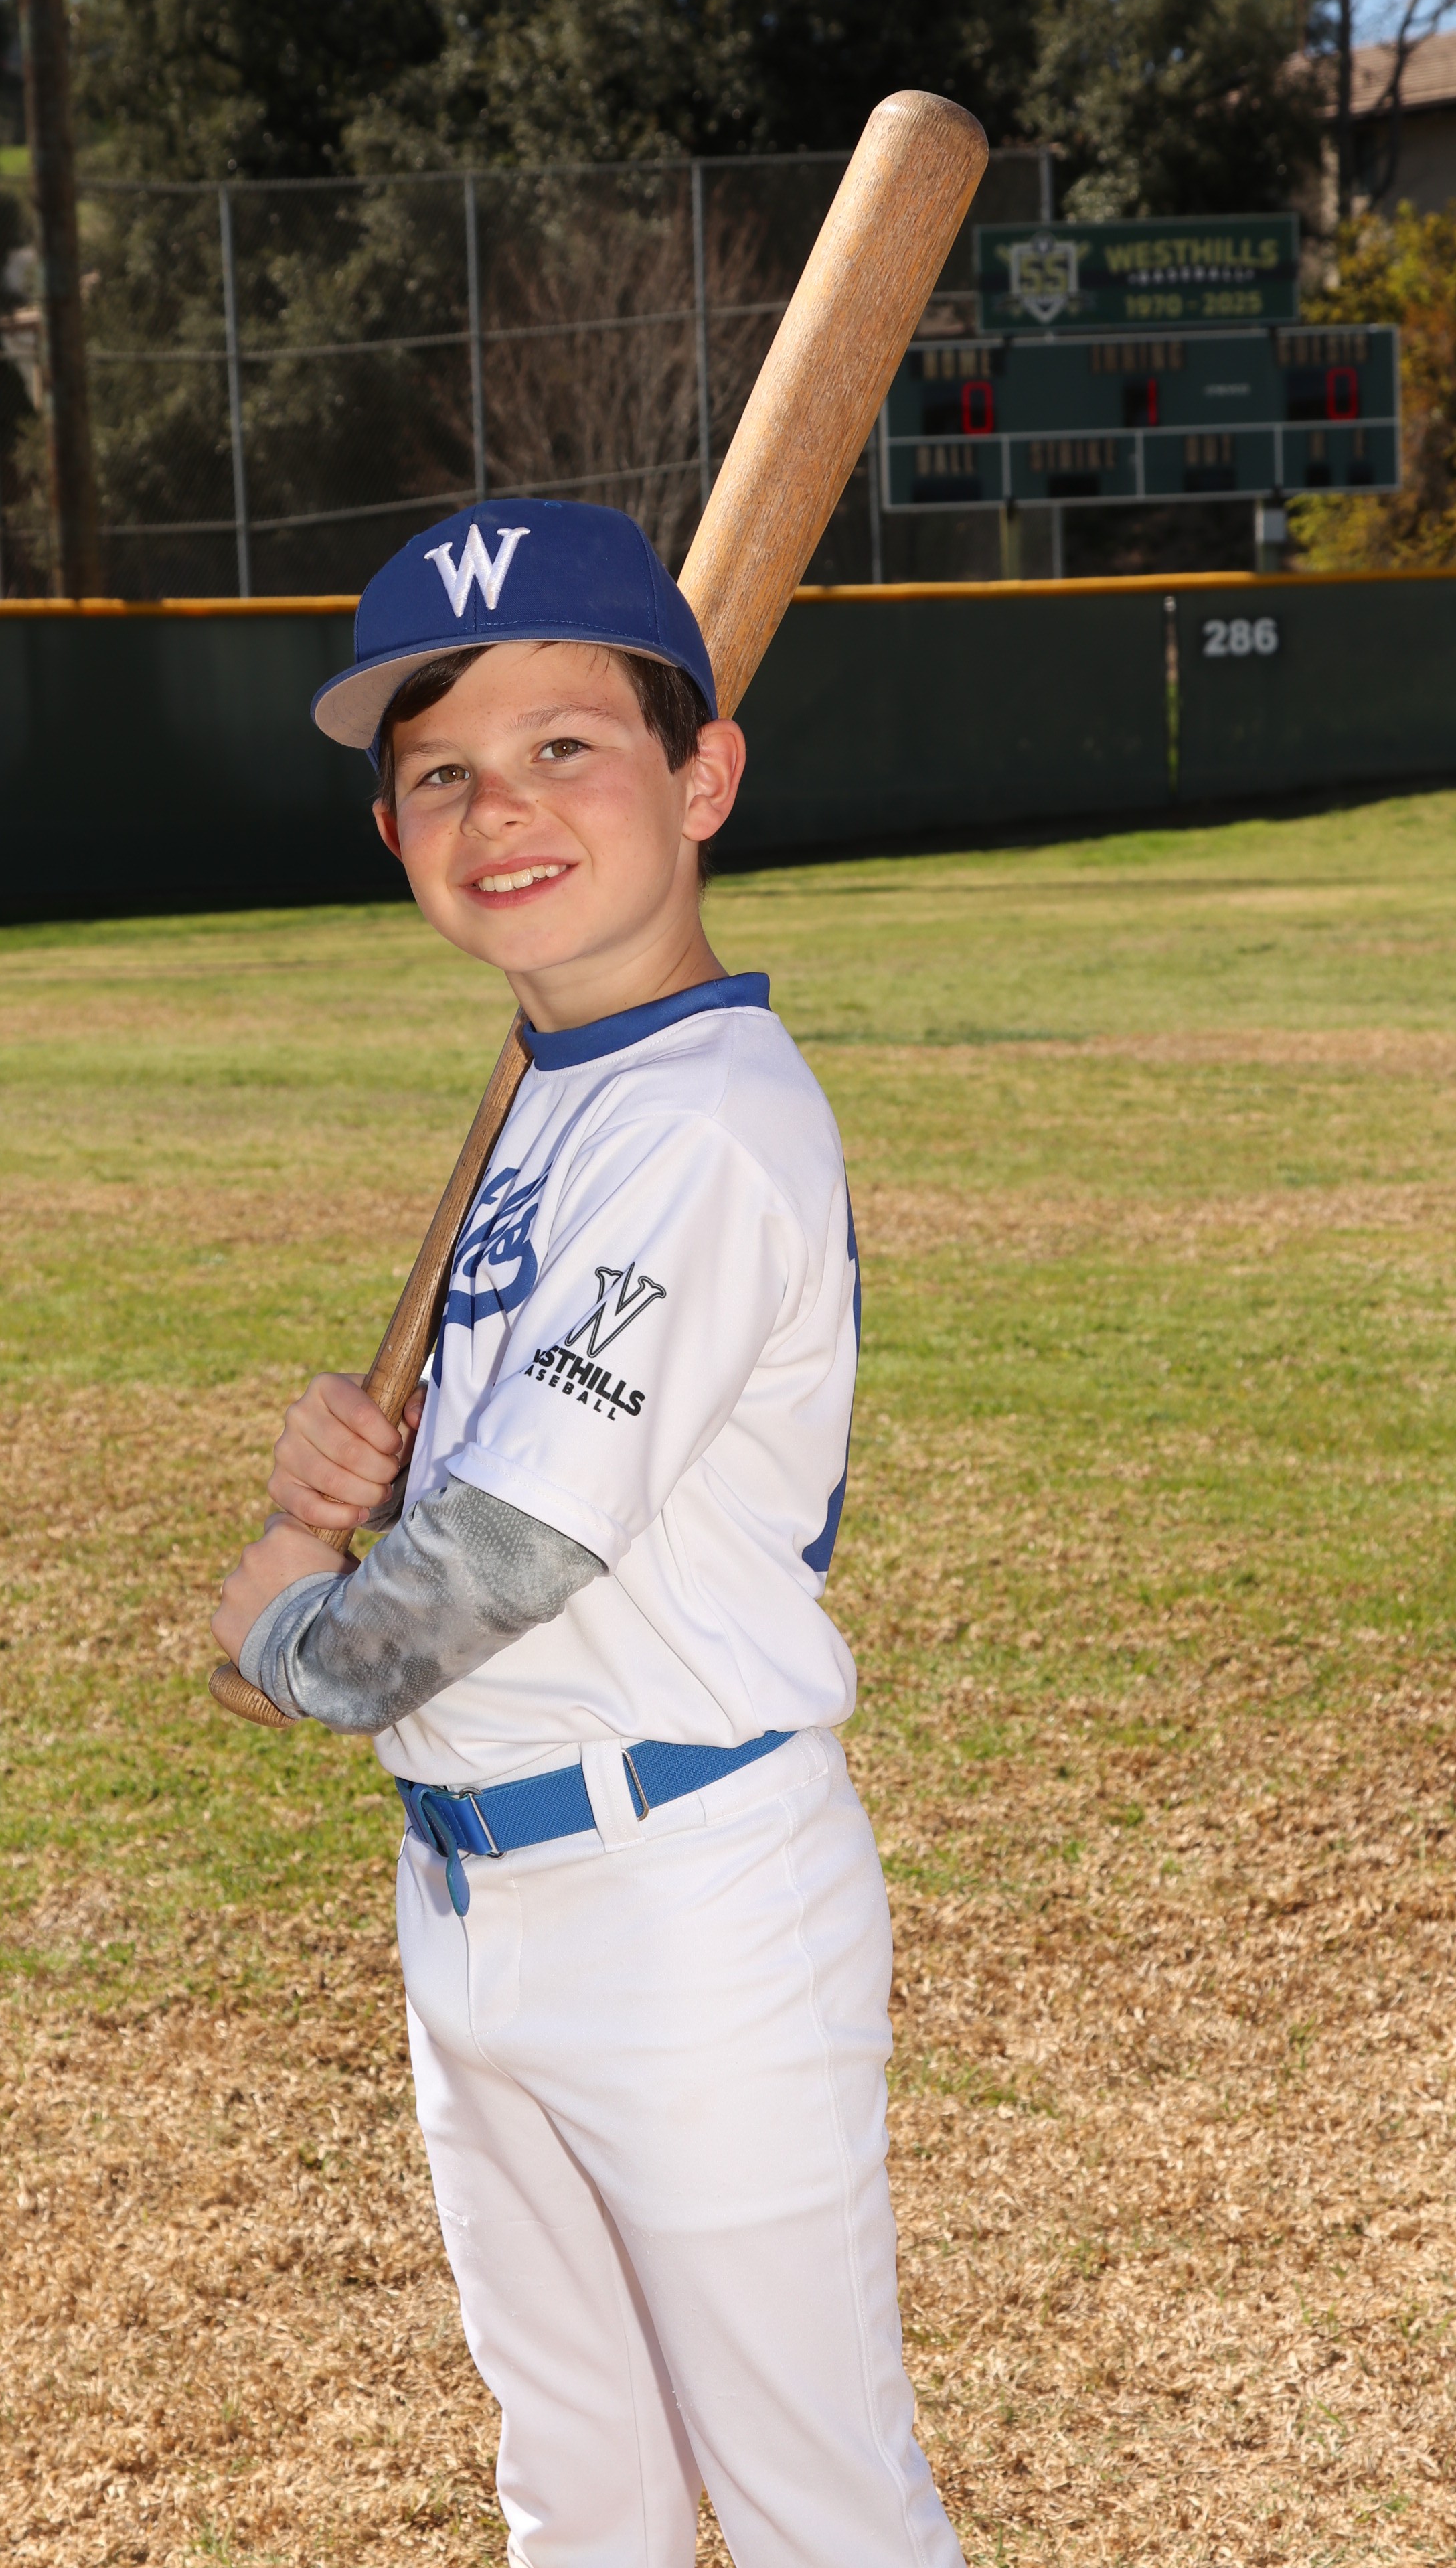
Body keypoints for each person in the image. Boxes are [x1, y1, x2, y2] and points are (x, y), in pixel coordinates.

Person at [214, 498, 963, 2568]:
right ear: (390, 831)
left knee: (821, 2515)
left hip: (690, 1905)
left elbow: (500, 1569)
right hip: (477, 1891)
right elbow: (510, 1478)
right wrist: (366, 1471)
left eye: (568, 747)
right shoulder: (568, 1081)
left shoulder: (711, 1117)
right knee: (586, 2493)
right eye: (442, 771)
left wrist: (294, 1632)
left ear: (704, 777)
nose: (501, 809)